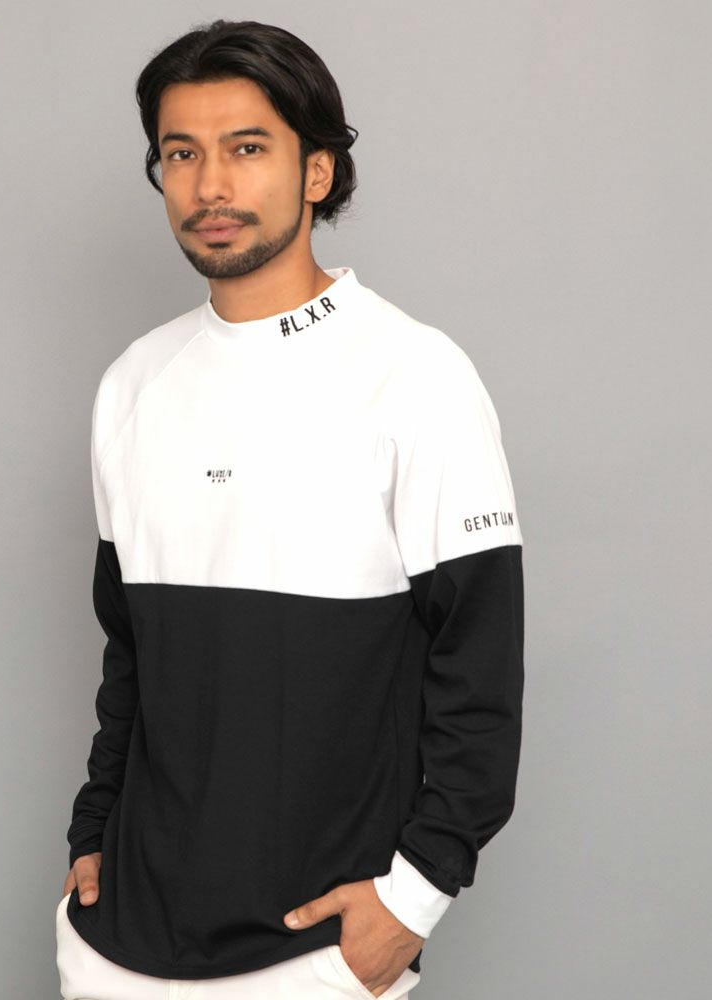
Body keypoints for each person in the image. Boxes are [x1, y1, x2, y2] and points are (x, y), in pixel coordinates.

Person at [55, 18, 525, 1000]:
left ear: (317, 171)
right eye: (181, 153)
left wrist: (414, 901)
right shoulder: (132, 384)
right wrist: (92, 830)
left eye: (246, 148)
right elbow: (130, 654)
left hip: (315, 955)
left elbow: (479, 672)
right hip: (114, 944)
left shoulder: (415, 376)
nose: (209, 186)